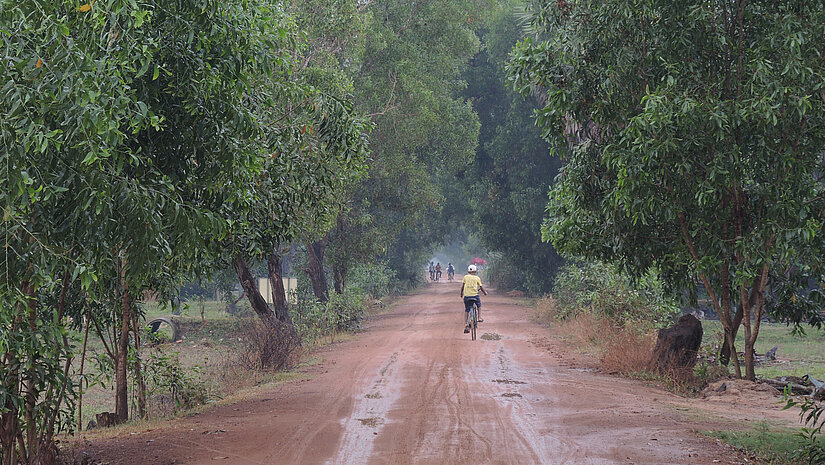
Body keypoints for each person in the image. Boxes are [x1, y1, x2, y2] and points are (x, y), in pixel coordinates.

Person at [460, 264, 487, 333]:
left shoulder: (465, 277)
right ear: (475, 271)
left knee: (467, 310)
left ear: (468, 271)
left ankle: (466, 323)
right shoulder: (477, 278)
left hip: (467, 296)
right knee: (479, 305)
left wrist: (461, 293)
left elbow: (462, 286)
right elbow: (481, 287)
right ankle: (479, 317)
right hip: (475, 295)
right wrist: (485, 293)